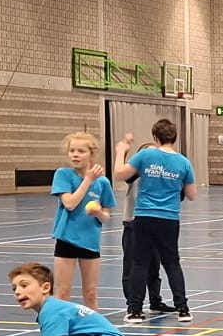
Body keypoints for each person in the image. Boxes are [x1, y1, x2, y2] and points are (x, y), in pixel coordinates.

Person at [114, 118, 195, 324]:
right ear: (174, 137)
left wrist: (121, 151)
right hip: (169, 218)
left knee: (139, 264)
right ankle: (183, 309)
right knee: (172, 264)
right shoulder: (184, 162)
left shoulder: (146, 155)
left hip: (145, 216)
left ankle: (134, 310)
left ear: (155, 137)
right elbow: (191, 194)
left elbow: (119, 174)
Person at [50, 132, 115, 309]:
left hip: (90, 241)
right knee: (62, 292)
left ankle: (95, 325)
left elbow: (106, 216)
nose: (75, 155)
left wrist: (98, 212)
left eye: (81, 151)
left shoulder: (103, 182)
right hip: (67, 239)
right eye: (72, 151)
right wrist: (87, 180)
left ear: (91, 155)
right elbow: (70, 204)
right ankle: (60, 324)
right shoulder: (63, 175)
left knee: (91, 293)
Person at [117, 139, 169, 322]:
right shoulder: (135, 171)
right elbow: (122, 174)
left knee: (154, 265)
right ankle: (132, 304)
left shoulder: (160, 174)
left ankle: (155, 300)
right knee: (132, 266)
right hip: (133, 223)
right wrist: (122, 151)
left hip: (155, 222)